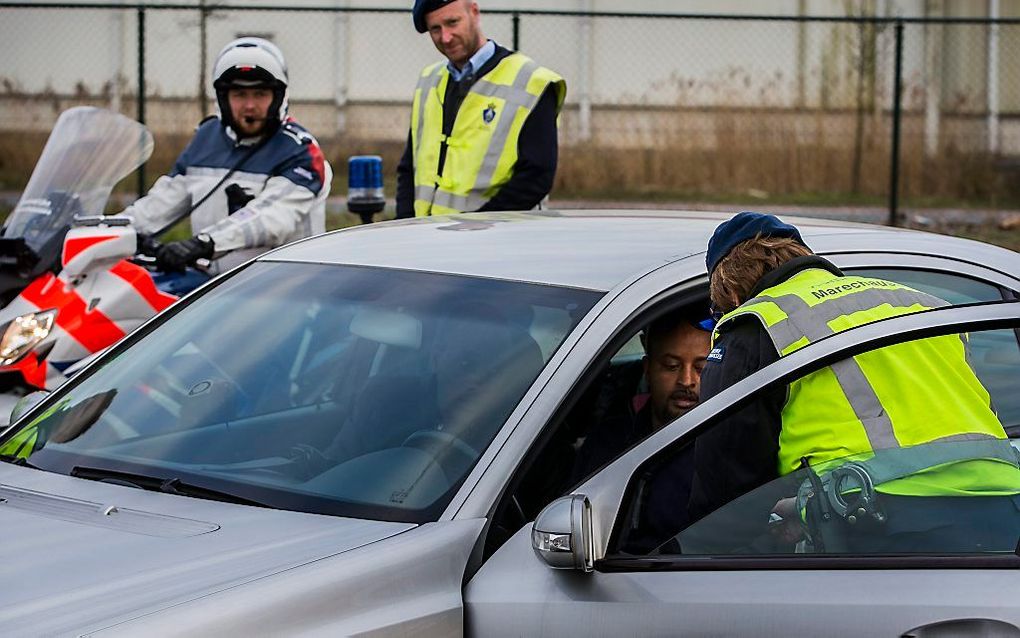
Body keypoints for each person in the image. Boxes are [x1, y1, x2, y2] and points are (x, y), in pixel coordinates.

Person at [686, 211, 1020, 553]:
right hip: (1002, 509)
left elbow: (725, 496)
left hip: (882, 523)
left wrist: (690, 561)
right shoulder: (923, 303)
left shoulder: (756, 325)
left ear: (729, 290)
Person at [123, 37, 332, 277]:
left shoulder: (300, 150)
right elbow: (161, 202)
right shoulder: (206, 138)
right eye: (239, 94)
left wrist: (204, 243)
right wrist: (107, 229)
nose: (250, 105)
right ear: (223, 98)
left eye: (260, 94)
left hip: (288, 288)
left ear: (278, 97)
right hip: (216, 288)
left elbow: (271, 218)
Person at [395, 0, 566, 218]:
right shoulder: (429, 80)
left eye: (453, 22)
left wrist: (478, 229)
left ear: (474, 12)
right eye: (435, 29)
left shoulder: (532, 82)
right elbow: (410, 167)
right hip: (429, 239)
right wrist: (404, 228)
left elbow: (536, 177)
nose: (445, 37)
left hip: (500, 241)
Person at [569, 310, 711, 553]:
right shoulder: (607, 443)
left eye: (701, 367)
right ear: (647, 369)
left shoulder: (726, 453)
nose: (687, 380)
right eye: (671, 366)